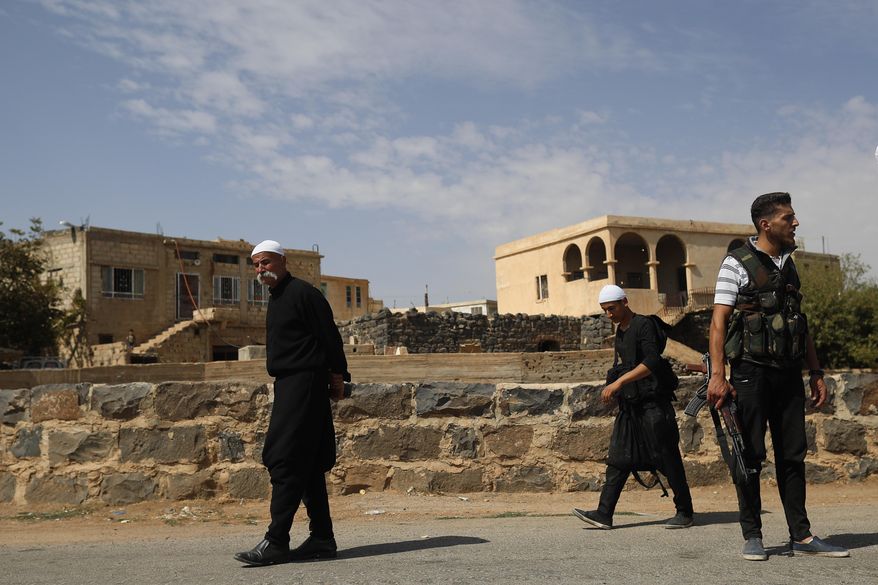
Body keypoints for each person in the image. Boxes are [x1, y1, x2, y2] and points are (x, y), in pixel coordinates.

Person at [708, 192, 849, 561]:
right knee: (749, 454)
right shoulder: (736, 263)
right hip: (751, 374)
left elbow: (800, 324)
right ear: (766, 224)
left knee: (793, 456)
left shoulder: (790, 265)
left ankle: (801, 536)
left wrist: (815, 371)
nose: (796, 222)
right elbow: (719, 322)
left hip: (788, 375)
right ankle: (752, 534)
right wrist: (718, 376)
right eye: (789, 217)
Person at [234, 239, 348, 566]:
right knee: (308, 462)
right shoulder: (277, 297)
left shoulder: (303, 294)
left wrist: (338, 375)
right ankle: (322, 539)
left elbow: (329, 336)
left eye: (266, 262)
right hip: (290, 384)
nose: (260, 269)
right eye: (255, 264)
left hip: (305, 383)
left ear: (283, 261)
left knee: (284, 457)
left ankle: (276, 540)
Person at [573, 284, 694, 530]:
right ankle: (604, 514)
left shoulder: (644, 325)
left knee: (667, 458)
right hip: (631, 407)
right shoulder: (620, 332)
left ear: (624, 302)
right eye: (604, 310)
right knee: (618, 458)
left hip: (653, 406)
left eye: (612, 308)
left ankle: (685, 512)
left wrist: (619, 382)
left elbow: (651, 362)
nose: (609, 314)